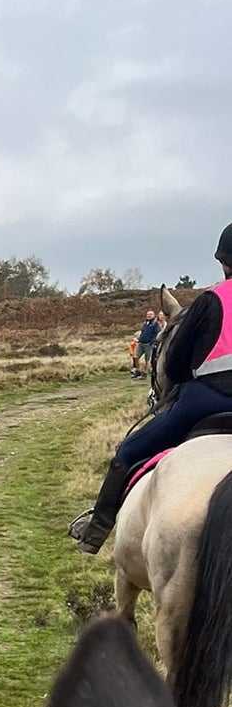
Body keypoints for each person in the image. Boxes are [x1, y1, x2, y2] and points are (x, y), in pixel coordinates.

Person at [70, 225, 232, 553]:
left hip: (208, 399)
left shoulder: (210, 300)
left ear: (224, 262)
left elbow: (174, 365)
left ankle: (96, 531)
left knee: (128, 452)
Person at [132, 307, 161, 376]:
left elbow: (157, 333)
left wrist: (152, 342)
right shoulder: (145, 323)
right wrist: (139, 339)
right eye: (148, 314)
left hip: (149, 345)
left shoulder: (155, 324)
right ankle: (138, 371)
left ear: (153, 315)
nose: (149, 316)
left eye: (150, 314)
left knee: (148, 360)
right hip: (141, 343)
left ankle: (145, 373)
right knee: (135, 357)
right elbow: (143, 332)